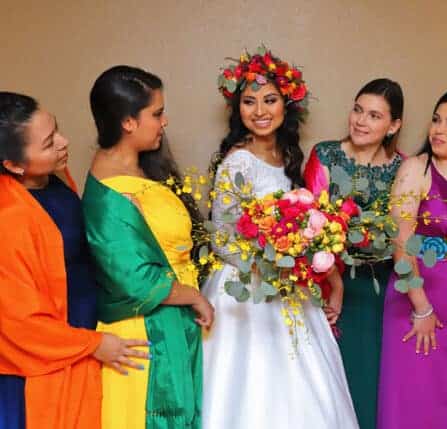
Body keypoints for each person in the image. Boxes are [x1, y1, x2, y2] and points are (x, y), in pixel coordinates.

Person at [202, 47, 358, 429]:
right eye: (249, 102)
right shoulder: (236, 162)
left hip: (289, 286)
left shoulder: (288, 157)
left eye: (269, 100)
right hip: (249, 288)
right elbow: (223, 240)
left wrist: (312, 266)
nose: (259, 111)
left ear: (287, 104)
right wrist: (270, 266)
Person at [0, 92, 148, 429]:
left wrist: (116, 213)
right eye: (49, 143)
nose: (64, 143)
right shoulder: (8, 217)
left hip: (81, 340)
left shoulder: (52, 178)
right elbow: (17, 324)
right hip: (41, 373)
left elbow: (74, 242)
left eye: (57, 130)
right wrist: (94, 344)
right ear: (13, 164)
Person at [82, 66, 214, 429]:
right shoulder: (111, 196)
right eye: (156, 113)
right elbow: (135, 280)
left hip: (170, 323)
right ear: (127, 122)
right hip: (145, 335)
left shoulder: (139, 170)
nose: (164, 121)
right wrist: (195, 297)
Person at [378, 89, 447, 429]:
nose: (438, 130)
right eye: (436, 120)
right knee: (410, 396)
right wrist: (421, 306)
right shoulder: (416, 169)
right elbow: (401, 244)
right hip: (414, 294)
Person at [303, 78, 404, 429]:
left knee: (373, 379)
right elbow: (312, 227)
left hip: (382, 289)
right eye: (358, 110)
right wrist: (336, 285)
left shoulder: (403, 168)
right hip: (329, 282)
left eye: (374, 116)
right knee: (331, 381)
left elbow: (402, 234)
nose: (360, 121)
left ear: (393, 126)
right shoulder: (325, 155)